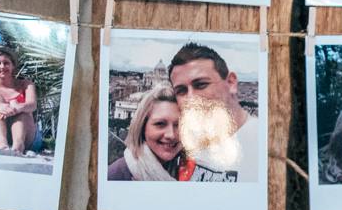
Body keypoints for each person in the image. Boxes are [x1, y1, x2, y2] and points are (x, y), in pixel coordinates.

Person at [168, 43, 258, 181]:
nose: (191, 98)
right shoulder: (180, 143)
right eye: (181, 91)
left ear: (231, 83)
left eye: (201, 84)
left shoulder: (262, 142)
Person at [106, 86, 190, 181]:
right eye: (160, 124)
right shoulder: (115, 177)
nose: (171, 135)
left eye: (179, 125)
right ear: (142, 127)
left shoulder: (189, 171)